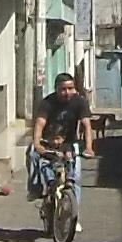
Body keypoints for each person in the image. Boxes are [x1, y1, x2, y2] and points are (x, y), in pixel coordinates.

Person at [28, 72, 94, 202]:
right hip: (48, 142)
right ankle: (35, 188)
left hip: (70, 143)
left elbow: (86, 125)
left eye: (71, 88)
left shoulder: (80, 102)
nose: (67, 92)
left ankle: (74, 216)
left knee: (75, 178)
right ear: (56, 89)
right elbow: (40, 123)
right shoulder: (47, 102)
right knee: (32, 154)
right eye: (63, 89)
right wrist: (37, 143)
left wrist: (89, 148)